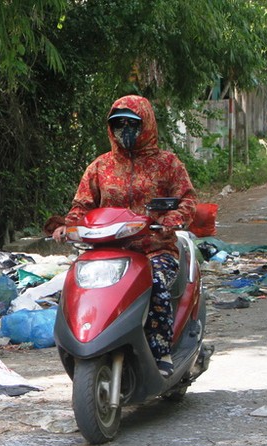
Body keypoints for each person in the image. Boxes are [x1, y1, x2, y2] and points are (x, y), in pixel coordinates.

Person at [51, 95, 196, 377]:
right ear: (110, 128)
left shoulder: (167, 164)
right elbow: (82, 206)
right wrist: (66, 226)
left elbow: (187, 201)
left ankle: (161, 349)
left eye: (133, 124)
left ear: (147, 126)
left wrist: (170, 220)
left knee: (156, 283)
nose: (125, 131)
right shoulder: (100, 167)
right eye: (119, 125)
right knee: (76, 286)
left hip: (153, 249)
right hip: (106, 252)